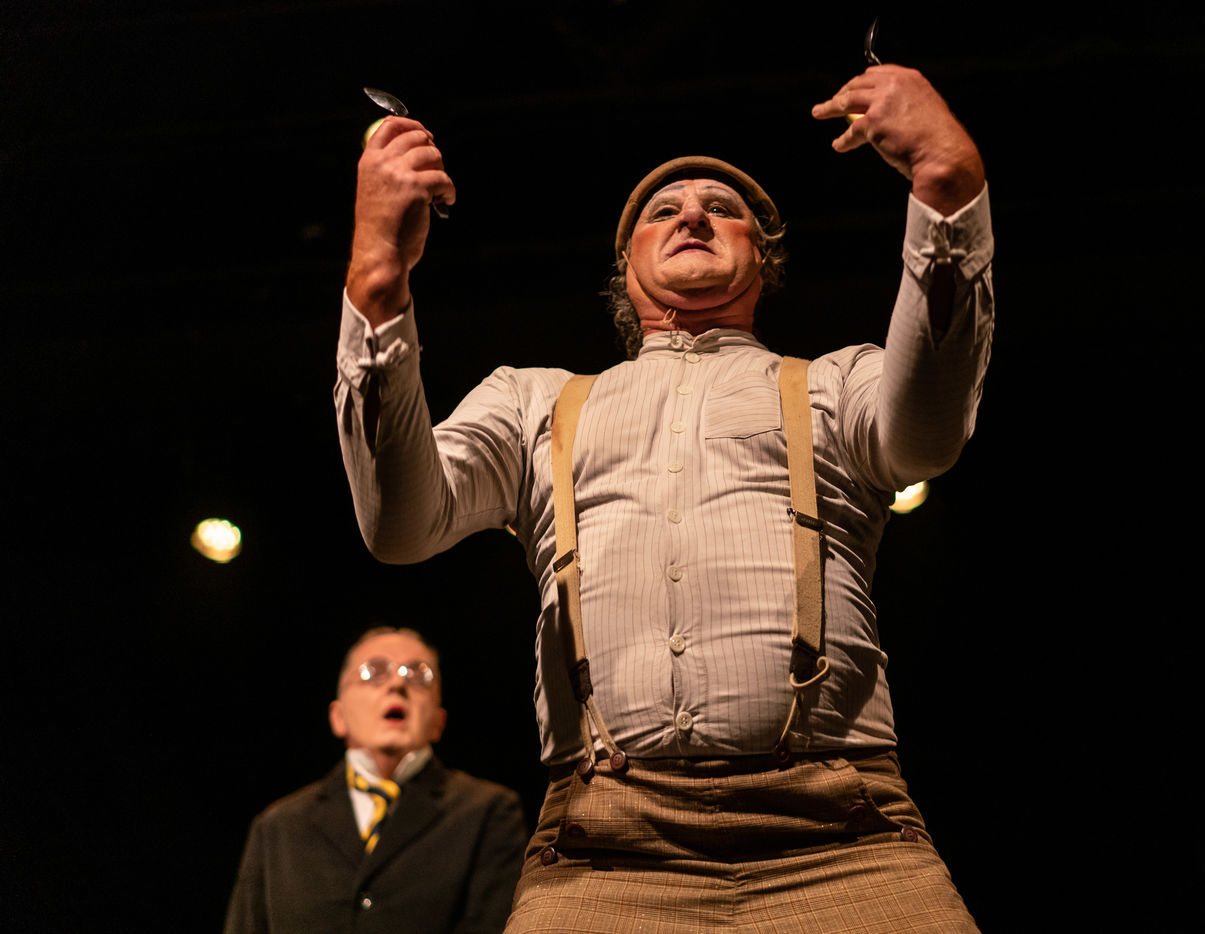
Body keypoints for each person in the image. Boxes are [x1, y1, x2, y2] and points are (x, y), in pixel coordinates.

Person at [335, 61, 993, 933]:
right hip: (605, 847)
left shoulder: (836, 385)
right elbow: (400, 526)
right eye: (663, 210)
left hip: (843, 834)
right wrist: (377, 278)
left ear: (763, 255)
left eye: (723, 208)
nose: (692, 215)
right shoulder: (533, 404)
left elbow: (929, 431)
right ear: (626, 265)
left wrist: (948, 190)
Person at [224, 627, 528, 934]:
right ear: (338, 716)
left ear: (439, 721)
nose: (397, 684)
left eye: (418, 676)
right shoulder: (278, 826)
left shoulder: (487, 812)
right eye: (373, 672)